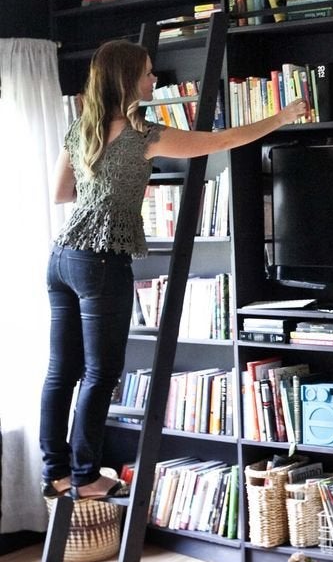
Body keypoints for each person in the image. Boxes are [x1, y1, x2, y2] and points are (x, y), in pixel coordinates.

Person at [39, 38, 306, 501]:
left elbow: (62, 193)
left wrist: (103, 188)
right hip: (101, 260)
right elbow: (222, 140)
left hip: (61, 258)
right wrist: (281, 118)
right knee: (101, 373)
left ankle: (55, 473)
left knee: (61, 371)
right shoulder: (146, 135)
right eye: (147, 72)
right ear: (127, 80)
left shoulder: (81, 128)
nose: (154, 79)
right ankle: (84, 478)